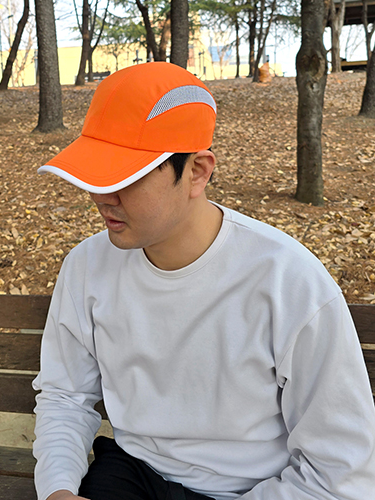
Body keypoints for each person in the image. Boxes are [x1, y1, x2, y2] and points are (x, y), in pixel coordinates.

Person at [32, 62, 375, 500]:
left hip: (250, 490)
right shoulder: (87, 266)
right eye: (95, 173)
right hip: (132, 471)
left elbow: (340, 470)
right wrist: (58, 488)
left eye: (126, 177)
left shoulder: (287, 282)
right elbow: (65, 395)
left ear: (197, 171)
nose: (102, 197)